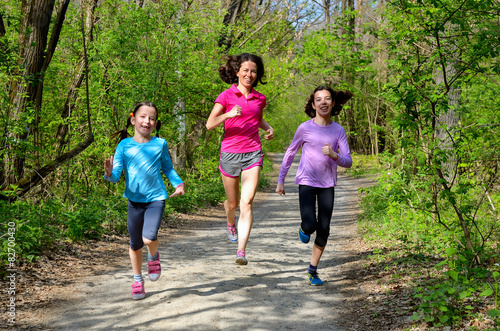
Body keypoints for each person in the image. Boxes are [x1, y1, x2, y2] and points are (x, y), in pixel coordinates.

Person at [104, 101, 186, 299]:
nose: (147, 121)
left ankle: (153, 256)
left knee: (148, 238)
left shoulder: (160, 144)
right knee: (134, 243)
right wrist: (108, 173)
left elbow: (167, 168)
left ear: (155, 123)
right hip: (134, 201)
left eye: (151, 118)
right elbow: (116, 176)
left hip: (156, 198)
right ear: (133, 120)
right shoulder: (124, 145)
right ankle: (137, 280)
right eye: (142, 117)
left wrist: (179, 184)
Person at [275, 86, 353, 285]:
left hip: (327, 184)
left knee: (324, 228)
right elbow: (290, 153)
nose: (324, 102)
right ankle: (304, 228)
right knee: (310, 225)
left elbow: (348, 160)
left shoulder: (338, 130)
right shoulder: (305, 128)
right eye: (319, 99)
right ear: (313, 104)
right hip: (307, 182)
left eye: (327, 99)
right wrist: (281, 179)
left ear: (333, 103)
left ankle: (313, 271)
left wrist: (335, 156)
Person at [206, 53, 274, 265]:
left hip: (253, 152)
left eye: (253, 71)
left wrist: (268, 127)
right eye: (245, 70)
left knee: (247, 202)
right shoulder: (226, 96)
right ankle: (229, 221)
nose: (249, 74)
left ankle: (241, 250)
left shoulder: (260, 98)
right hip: (230, 153)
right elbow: (210, 124)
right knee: (233, 203)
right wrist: (227, 115)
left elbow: (258, 119)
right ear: (237, 72)